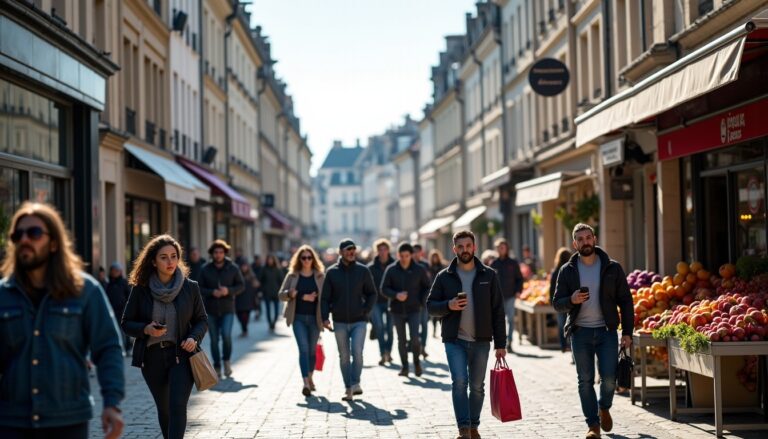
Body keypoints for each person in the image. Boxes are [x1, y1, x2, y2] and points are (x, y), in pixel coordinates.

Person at [0, 202, 124, 439]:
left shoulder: (85, 291)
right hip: (10, 422)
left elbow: (108, 348)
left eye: (34, 233)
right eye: (18, 234)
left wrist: (112, 402)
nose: (25, 239)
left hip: (67, 420)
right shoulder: (3, 296)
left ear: (54, 243)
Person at [121, 234, 208, 439]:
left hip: (182, 355)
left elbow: (202, 320)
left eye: (174, 256)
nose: (170, 261)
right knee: (165, 409)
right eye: (164, 257)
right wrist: (145, 329)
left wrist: (193, 338)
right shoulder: (141, 290)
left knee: (178, 406)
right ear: (153, 261)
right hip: (152, 358)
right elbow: (126, 323)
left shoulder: (190, 287)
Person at [552, 223, 634, 439]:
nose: (585, 241)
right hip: (580, 332)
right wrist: (571, 299)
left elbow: (626, 301)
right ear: (574, 243)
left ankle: (604, 406)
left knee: (609, 378)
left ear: (594, 239)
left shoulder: (612, 267)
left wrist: (627, 332)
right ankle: (592, 425)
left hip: (606, 330)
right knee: (585, 379)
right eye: (580, 239)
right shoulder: (567, 270)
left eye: (588, 237)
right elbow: (557, 303)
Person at [427, 230, 506, 439]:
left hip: (481, 341)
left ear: (474, 247)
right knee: (460, 382)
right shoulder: (444, 276)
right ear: (454, 249)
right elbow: (430, 306)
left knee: (477, 387)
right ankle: (463, 428)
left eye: (468, 246)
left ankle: (473, 425)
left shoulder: (488, 275)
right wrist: (448, 305)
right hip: (455, 341)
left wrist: (501, 344)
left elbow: (498, 310)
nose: (464, 250)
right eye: (460, 247)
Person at [321, 238, 377, 401]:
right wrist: (325, 318)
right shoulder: (331, 272)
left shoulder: (363, 271)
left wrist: (366, 310)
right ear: (341, 252)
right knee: (344, 356)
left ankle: (355, 383)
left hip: (359, 320)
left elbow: (372, 293)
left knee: (357, 353)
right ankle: (348, 388)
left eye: (353, 249)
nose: (351, 252)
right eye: (348, 249)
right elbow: (325, 298)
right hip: (339, 321)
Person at [278, 245, 325, 396]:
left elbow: (326, 298)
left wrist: (323, 311)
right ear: (299, 259)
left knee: (312, 351)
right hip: (297, 318)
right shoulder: (292, 276)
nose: (306, 260)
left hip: (314, 319)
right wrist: (292, 294)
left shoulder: (319, 276)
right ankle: (305, 382)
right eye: (303, 258)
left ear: (313, 259)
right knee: (303, 349)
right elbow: (281, 295)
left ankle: (311, 377)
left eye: (309, 257)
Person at [381, 242, 431, 377]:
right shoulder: (391, 269)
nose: (404, 258)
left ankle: (416, 364)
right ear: (398, 255)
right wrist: (396, 295)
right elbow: (383, 288)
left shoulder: (419, 269)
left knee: (415, 339)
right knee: (401, 340)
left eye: (407, 256)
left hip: (414, 309)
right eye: (401, 256)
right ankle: (404, 367)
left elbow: (427, 287)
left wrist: (422, 302)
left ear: (412, 255)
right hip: (397, 310)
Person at [198, 239, 244, 378]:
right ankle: (217, 365)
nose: (218, 254)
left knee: (226, 336)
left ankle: (226, 361)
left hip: (227, 309)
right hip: (210, 310)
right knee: (213, 339)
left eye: (221, 252)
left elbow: (241, 286)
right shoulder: (205, 269)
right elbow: (198, 288)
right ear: (212, 254)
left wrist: (228, 291)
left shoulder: (233, 267)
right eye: (216, 252)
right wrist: (212, 292)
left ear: (225, 253)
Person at [490, 238, 523, 353]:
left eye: (503, 247)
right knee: (499, 320)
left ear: (507, 249)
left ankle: (510, 342)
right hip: (497, 297)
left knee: (510, 320)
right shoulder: (494, 264)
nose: (501, 249)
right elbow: (490, 281)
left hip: (510, 296)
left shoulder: (513, 263)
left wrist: (518, 291)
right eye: (499, 247)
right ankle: (500, 342)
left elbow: (519, 278)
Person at [368, 238, 395, 366]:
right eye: (380, 249)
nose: (382, 252)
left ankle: (388, 352)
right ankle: (382, 353)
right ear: (376, 251)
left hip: (391, 301)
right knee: (379, 327)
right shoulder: (371, 267)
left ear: (388, 250)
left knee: (389, 329)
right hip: (376, 302)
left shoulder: (395, 265)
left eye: (385, 249)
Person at [106, 261, 133, 355]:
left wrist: (128, 307)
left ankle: (127, 347)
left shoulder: (123, 282)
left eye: (117, 270)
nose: (114, 272)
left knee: (123, 330)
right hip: (112, 311)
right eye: (113, 270)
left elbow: (129, 296)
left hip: (122, 310)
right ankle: (118, 348)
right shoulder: (108, 284)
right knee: (114, 329)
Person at [550, 247, 572, 352]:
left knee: (561, 325)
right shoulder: (571, 269)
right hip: (571, 301)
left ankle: (563, 346)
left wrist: (552, 302)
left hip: (559, 301)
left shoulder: (556, 271)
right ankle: (571, 346)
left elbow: (552, 289)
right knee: (571, 325)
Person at [412, 243, 431, 359]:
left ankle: (423, 347)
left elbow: (428, 282)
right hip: (412, 301)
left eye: (417, 252)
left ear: (421, 253)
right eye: (413, 252)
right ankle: (415, 345)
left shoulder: (425, 265)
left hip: (424, 301)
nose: (415, 254)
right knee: (414, 325)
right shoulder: (409, 264)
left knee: (424, 324)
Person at [258, 254, 284, 332]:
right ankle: (270, 323)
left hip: (276, 293)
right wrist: (261, 290)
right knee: (268, 309)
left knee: (276, 310)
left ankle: (274, 322)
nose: (270, 261)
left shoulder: (278, 269)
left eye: (271, 259)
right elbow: (260, 280)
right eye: (268, 259)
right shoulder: (264, 269)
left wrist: (281, 290)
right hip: (267, 293)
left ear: (274, 260)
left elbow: (282, 281)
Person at [428, 249, 448, 337]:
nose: (435, 258)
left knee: (442, 313)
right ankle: (434, 330)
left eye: (436, 256)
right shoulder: (428, 267)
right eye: (433, 257)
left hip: (442, 292)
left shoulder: (443, 266)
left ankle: (443, 330)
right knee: (434, 314)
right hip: (432, 291)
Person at [236, 263, 258, 337]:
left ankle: (244, 330)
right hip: (239, 298)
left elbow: (256, 285)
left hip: (249, 298)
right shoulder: (237, 275)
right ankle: (244, 328)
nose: (244, 268)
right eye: (243, 266)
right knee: (239, 315)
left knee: (245, 316)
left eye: (245, 266)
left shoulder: (251, 276)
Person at [251, 255, 263, 321]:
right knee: (254, 302)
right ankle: (257, 313)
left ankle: (259, 313)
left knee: (259, 301)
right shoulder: (252, 267)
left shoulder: (262, 267)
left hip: (260, 288)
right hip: (253, 287)